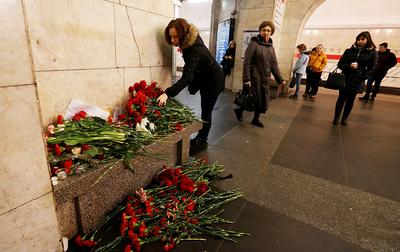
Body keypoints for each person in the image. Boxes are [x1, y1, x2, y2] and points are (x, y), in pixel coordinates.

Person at [157, 18, 224, 153]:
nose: (173, 41)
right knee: (205, 108)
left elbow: (188, 76)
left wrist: (167, 93)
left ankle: (202, 139)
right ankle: (201, 136)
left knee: (206, 110)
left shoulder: (194, 49)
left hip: (213, 81)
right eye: (170, 37)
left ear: (183, 34)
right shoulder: (190, 43)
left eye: (175, 37)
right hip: (206, 77)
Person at [234, 21, 286, 127]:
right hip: (254, 78)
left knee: (261, 99)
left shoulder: (271, 46)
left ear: (271, 32)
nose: (266, 32)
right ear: (260, 31)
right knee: (253, 98)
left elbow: (274, 64)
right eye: (264, 30)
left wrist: (280, 79)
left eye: (269, 30)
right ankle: (239, 110)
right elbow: (247, 63)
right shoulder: (254, 43)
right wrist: (246, 79)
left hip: (265, 79)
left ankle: (255, 119)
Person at [332, 31, 378, 126]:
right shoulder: (349, 51)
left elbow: (372, 68)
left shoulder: (372, 52)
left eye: (362, 39)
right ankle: (336, 117)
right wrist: (349, 65)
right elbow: (340, 64)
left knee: (351, 100)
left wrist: (362, 76)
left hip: (357, 79)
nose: (360, 41)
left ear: (368, 40)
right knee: (341, 98)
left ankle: (345, 118)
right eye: (358, 39)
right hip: (345, 78)